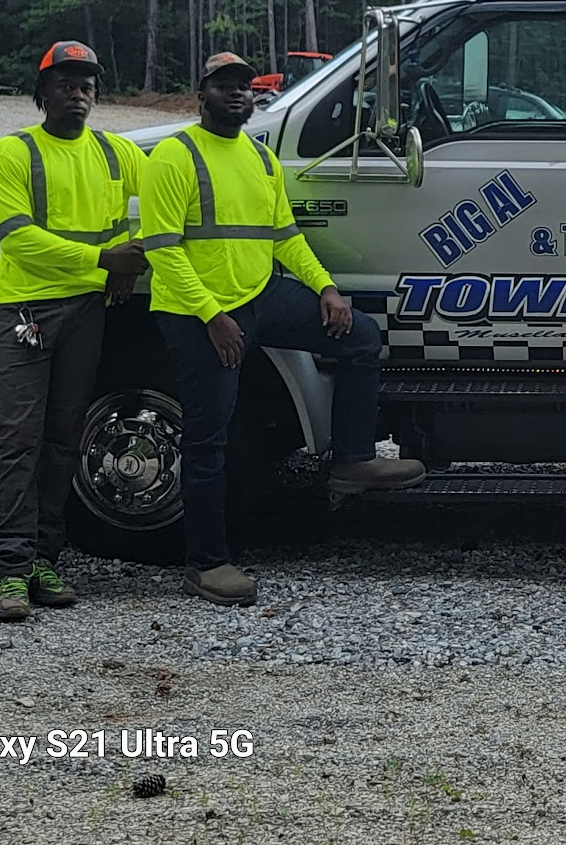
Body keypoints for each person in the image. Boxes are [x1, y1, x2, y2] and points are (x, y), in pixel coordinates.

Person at [141, 52, 426, 606]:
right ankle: (206, 563)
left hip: (257, 295)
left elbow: (286, 237)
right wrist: (212, 317)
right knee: (209, 439)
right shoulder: (175, 156)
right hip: (197, 311)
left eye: (245, 87)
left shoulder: (260, 158)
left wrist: (325, 289)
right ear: (201, 95)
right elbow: (162, 250)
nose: (237, 94)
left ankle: (351, 460)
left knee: (361, 337)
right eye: (224, 86)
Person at [0, 41, 149, 620]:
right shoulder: (14, 152)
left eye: (87, 83)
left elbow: (156, 202)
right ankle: (8, 571)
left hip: (87, 311)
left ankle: (44, 560)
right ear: (43, 92)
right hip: (25, 311)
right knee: (19, 440)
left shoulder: (115, 153)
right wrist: (105, 262)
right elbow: (18, 238)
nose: (78, 91)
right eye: (66, 81)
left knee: (62, 440)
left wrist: (137, 255)